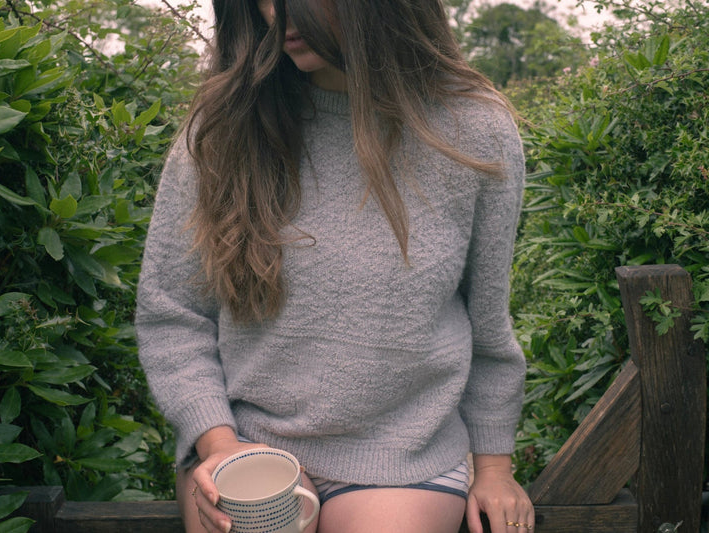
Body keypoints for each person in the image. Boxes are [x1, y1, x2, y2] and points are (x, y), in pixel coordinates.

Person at [135, 0, 535, 531]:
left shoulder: (475, 131)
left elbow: (488, 326)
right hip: (243, 446)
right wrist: (219, 443)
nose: (278, 15)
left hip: (403, 458)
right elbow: (173, 316)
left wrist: (493, 468)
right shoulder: (223, 127)